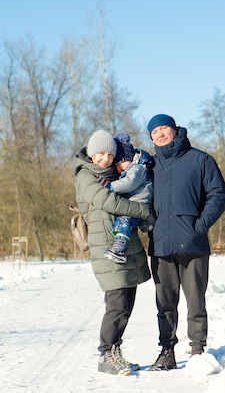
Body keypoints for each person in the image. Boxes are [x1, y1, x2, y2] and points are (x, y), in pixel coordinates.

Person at [146, 114, 225, 371]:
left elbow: (219, 194)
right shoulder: (149, 167)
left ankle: (197, 351)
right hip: (160, 246)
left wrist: (201, 226)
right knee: (165, 304)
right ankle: (167, 351)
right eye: (154, 132)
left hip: (193, 245)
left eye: (164, 128)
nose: (160, 134)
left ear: (175, 129)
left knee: (196, 300)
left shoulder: (200, 160)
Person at [73, 129, 153, 376]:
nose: (105, 158)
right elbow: (109, 202)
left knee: (127, 302)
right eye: (100, 153)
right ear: (91, 152)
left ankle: (115, 352)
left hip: (124, 245)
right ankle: (106, 354)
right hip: (107, 247)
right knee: (116, 304)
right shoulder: (86, 176)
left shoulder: (114, 173)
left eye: (110, 154)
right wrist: (144, 212)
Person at [97, 132, 155, 263]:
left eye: (122, 162)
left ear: (131, 157)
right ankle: (119, 247)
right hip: (136, 206)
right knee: (123, 222)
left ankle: (119, 250)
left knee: (124, 221)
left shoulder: (138, 169)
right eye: (116, 165)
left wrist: (111, 186)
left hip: (140, 204)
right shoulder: (131, 169)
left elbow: (129, 183)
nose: (119, 166)